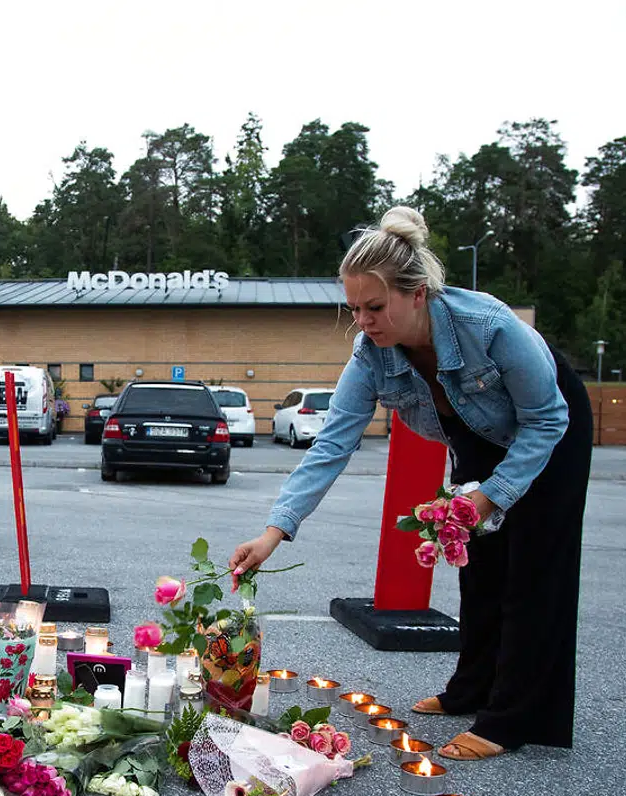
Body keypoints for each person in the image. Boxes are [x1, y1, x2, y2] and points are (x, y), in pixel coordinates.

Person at [230, 206, 593, 762]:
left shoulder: (489, 326)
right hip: (478, 437)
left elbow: (547, 417)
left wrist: (490, 494)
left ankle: (512, 718)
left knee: (532, 572)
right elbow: (332, 444)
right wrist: (274, 532)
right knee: (480, 571)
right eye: (354, 309)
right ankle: (471, 689)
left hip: (549, 427)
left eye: (375, 307)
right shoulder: (371, 355)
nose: (364, 321)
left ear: (417, 293)